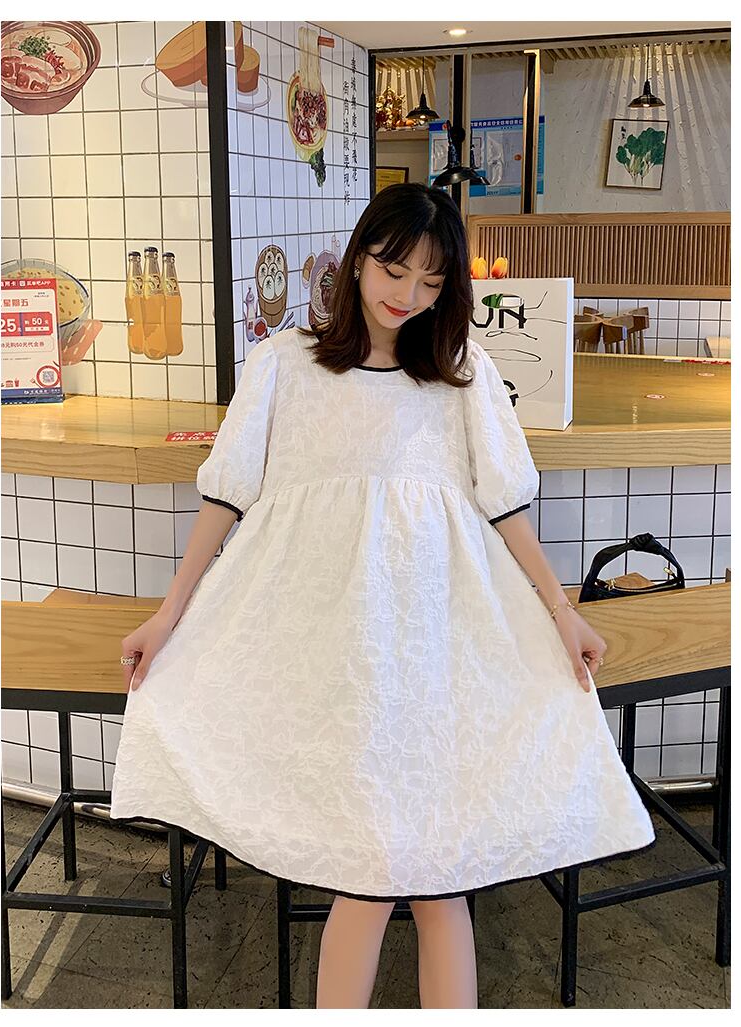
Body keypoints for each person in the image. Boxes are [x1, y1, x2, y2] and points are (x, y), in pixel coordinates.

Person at [110, 183, 655, 1009]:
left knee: (438, 878)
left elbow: (505, 506)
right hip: (330, 646)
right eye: (394, 270)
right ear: (359, 257)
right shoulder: (284, 364)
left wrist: (562, 611)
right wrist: (169, 612)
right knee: (367, 875)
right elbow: (227, 496)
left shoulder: (462, 374)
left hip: (439, 642)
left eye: (432, 282)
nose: (408, 295)